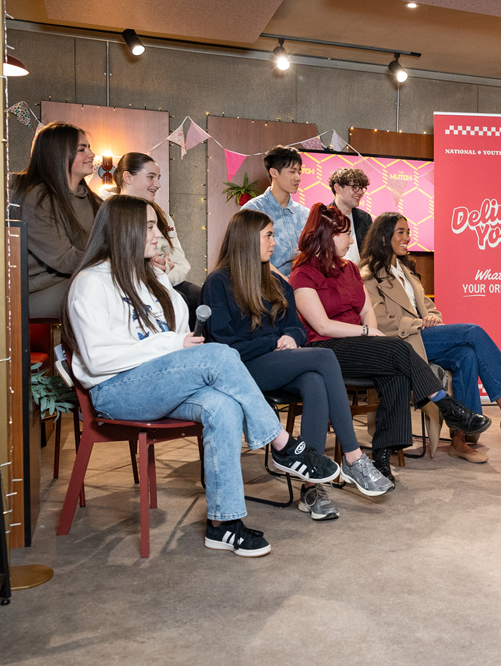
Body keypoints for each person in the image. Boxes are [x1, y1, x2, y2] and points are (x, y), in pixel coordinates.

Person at [61, 195, 340, 557]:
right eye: (149, 227)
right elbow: (98, 359)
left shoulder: (153, 278)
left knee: (224, 406)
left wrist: (172, 327)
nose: (158, 235)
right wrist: (171, 345)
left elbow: (179, 335)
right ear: (123, 230)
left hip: (162, 383)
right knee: (220, 354)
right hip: (117, 390)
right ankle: (282, 444)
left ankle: (223, 524)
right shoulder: (92, 282)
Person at [202, 209, 393, 517]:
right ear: (247, 239)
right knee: (325, 356)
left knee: (315, 381)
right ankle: (354, 457)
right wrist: (273, 343)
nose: (275, 243)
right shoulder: (218, 283)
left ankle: (311, 489)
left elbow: (296, 327)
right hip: (241, 369)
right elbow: (223, 345)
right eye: (268, 236)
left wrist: (291, 337)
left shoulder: (274, 282)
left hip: (279, 361)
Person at [290, 203, 490, 481]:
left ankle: (381, 456)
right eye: (346, 235)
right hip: (324, 348)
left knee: (397, 374)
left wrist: (371, 334)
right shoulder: (302, 274)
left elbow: (366, 310)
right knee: (399, 347)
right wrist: (366, 334)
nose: (351, 241)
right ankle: (446, 405)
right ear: (328, 236)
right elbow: (322, 325)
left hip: (358, 344)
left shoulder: (349, 269)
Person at [360, 212, 501, 463]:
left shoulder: (406, 271)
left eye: (408, 232)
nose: (407, 237)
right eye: (401, 232)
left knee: (466, 354)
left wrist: (433, 318)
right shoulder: (368, 274)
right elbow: (380, 323)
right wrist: (420, 323)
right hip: (403, 343)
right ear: (384, 237)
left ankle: (459, 441)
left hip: (423, 335)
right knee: (473, 332)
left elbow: (429, 307)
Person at [13, 121, 101, 318]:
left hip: (81, 279)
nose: (92, 154)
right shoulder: (35, 198)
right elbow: (64, 259)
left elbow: (115, 241)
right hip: (36, 291)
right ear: (58, 155)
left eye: (89, 148)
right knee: (101, 292)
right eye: (82, 149)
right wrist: (115, 262)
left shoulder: (94, 201)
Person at [114, 152, 201, 327]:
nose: (158, 184)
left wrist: (163, 275)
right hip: (130, 284)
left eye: (158, 178)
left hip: (164, 280)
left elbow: (180, 263)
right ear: (128, 177)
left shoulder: (164, 217)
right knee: (178, 301)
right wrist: (151, 272)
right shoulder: (108, 213)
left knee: (201, 296)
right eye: (151, 177)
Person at [241, 145, 308, 276]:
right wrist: (286, 282)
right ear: (274, 172)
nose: (298, 178)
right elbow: (247, 257)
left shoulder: (306, 214)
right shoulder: (252, 211)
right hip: (265, 282)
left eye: (299, 172)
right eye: (292, 172)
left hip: (301, 283)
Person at [328, 167, 373, 264]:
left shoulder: (365, 218)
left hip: (359, 272)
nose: (360, 192)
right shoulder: (322, 216)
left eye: (362, 188)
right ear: (337, 188)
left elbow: (370, 253)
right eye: (355, 187)